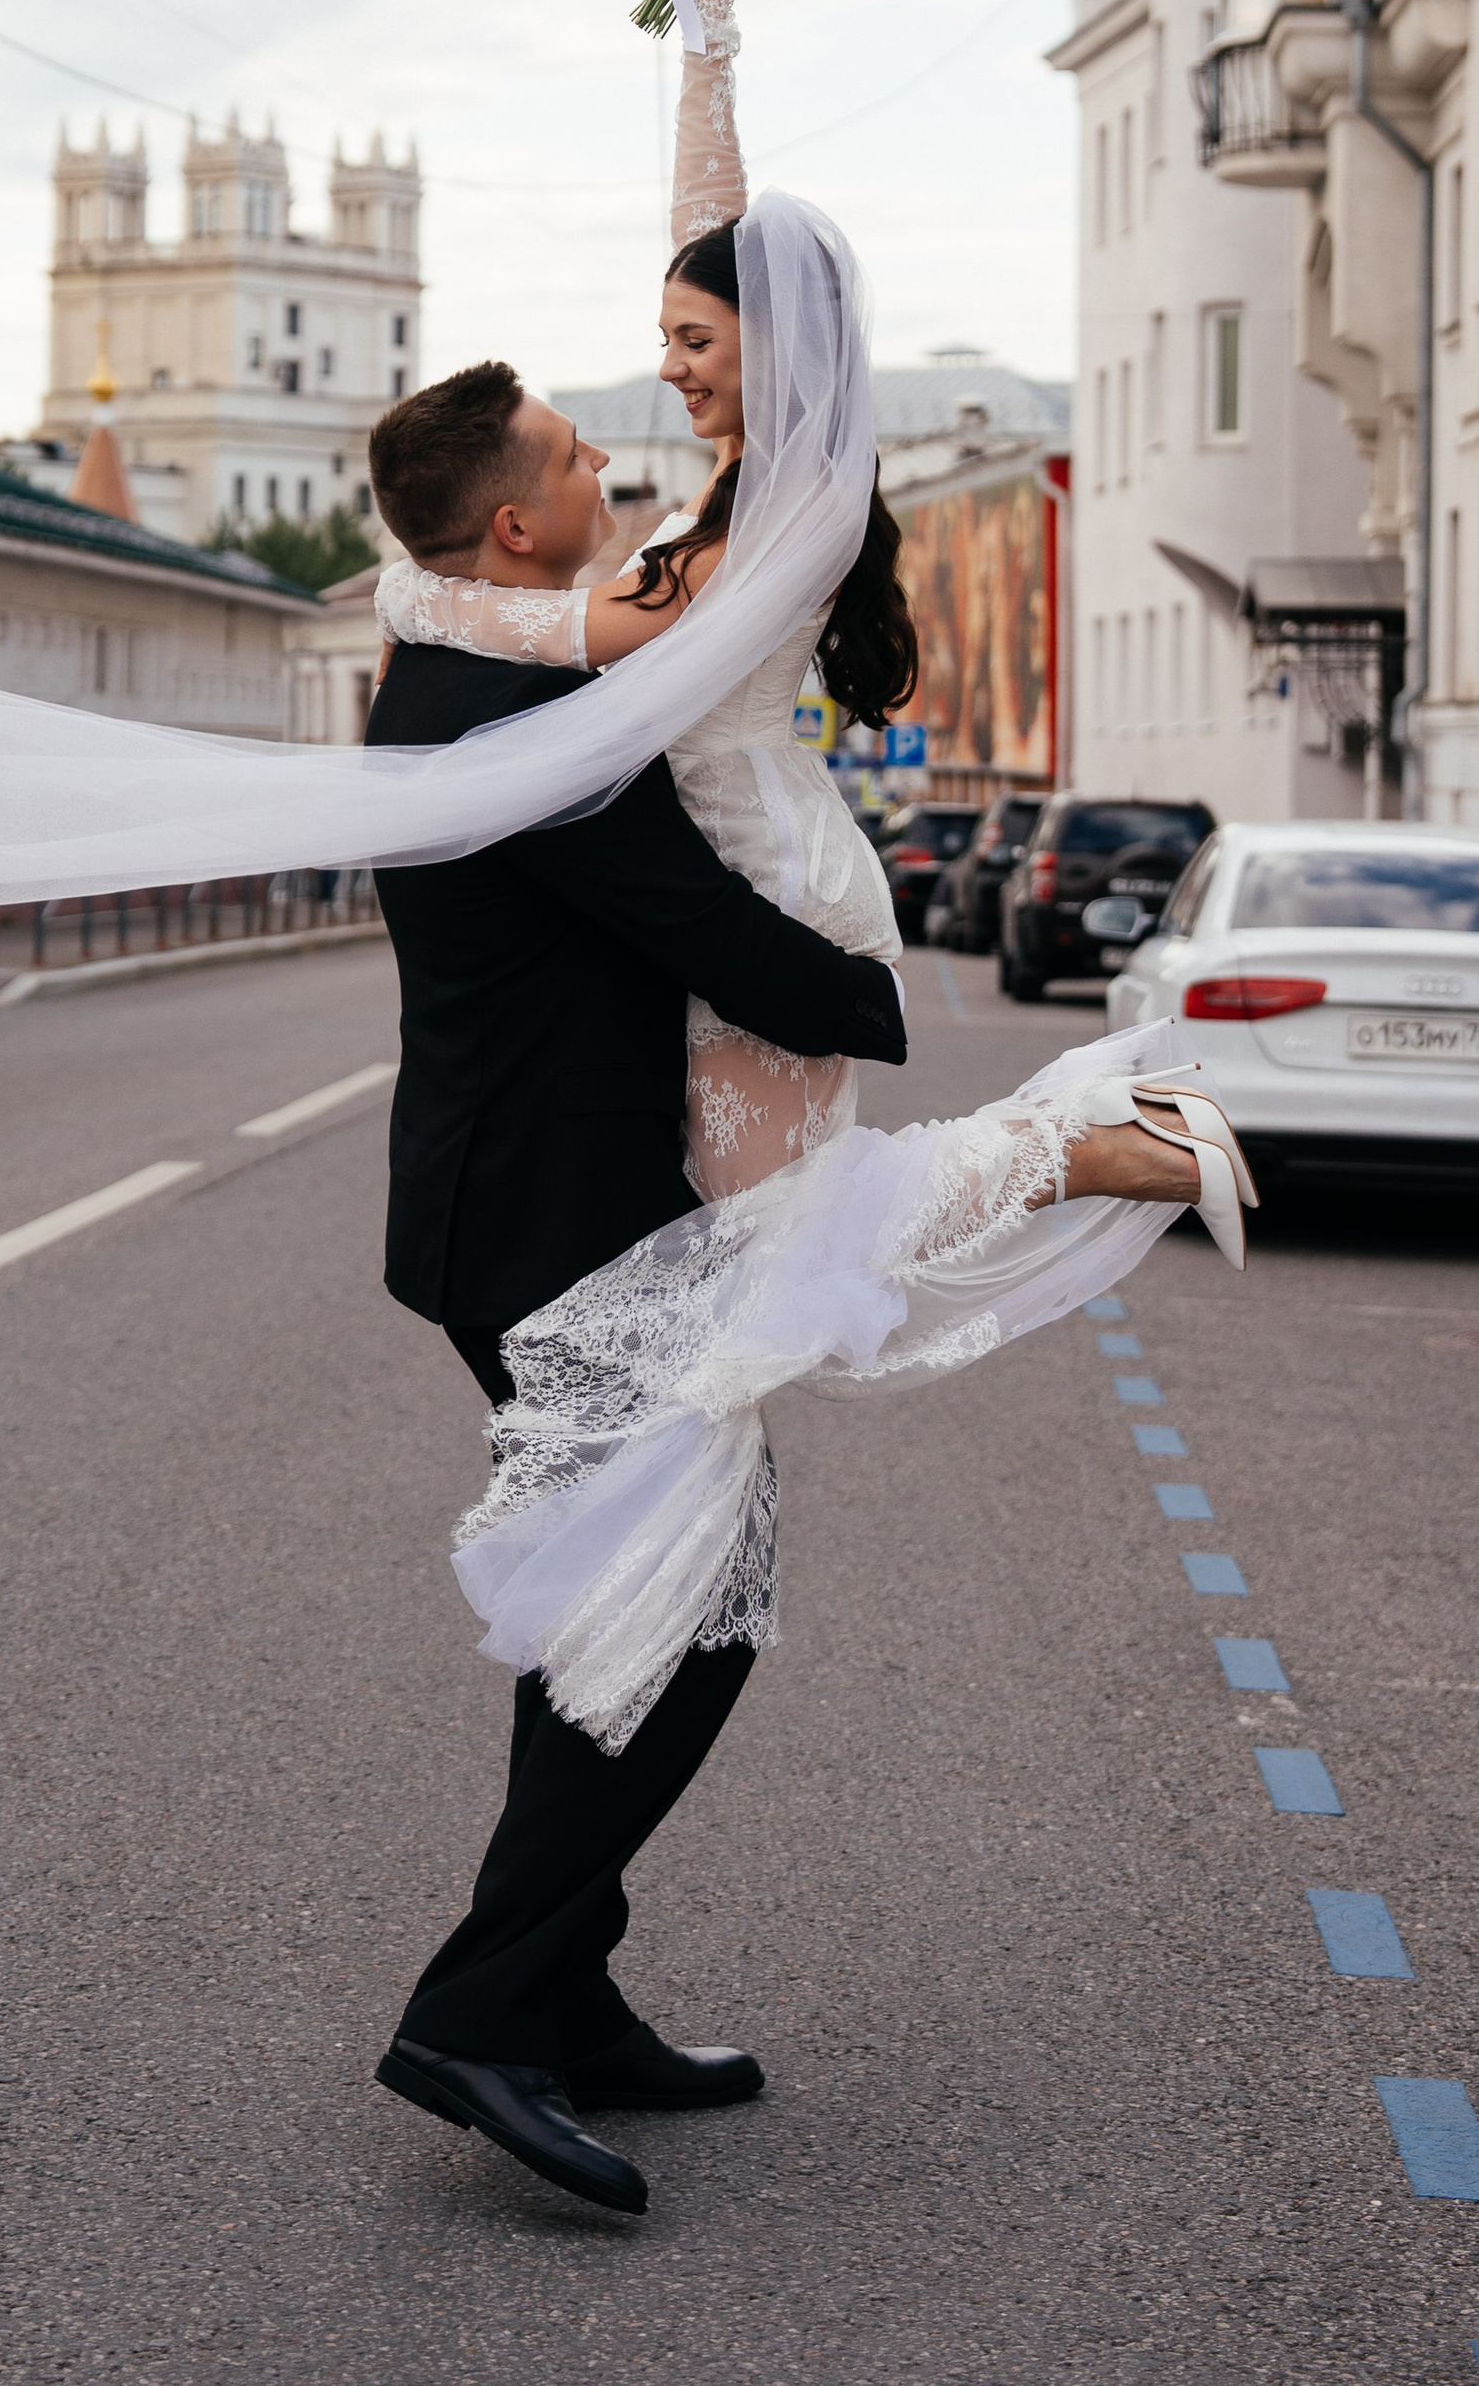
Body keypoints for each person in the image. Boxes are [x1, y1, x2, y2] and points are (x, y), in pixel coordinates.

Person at [363, 0, 1253, 1827]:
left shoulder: (782, 503)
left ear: (774, 345)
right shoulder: (752, 475)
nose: (668, 373)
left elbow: (586, 633)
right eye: (662, 345)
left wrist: (417, 592)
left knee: (770, 1250)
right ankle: (605, 1732)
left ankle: (1085, 1143)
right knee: (727, 1281)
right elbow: (719, 234)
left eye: (694, 345)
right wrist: (707, 36)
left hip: (761, 874)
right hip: (743, 841)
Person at [359, 359, 910, 2219]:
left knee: (644, 1601)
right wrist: (869, 997)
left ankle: (566, 2000)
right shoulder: (520, 716)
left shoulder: (461, 647)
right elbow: (698, 923)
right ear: (517, 525)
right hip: (550, 1225)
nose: (610, 457)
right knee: (687, 1619)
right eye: (574, 452)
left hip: (532, 1209)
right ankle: (478, 2016)